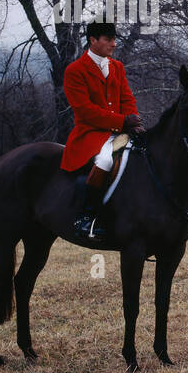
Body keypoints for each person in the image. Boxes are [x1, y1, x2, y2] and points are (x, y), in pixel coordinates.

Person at [60, 21, 143, 240]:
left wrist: (133, 121)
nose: (113, 44)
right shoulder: (74, 70)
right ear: (93, 40)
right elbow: (86, 111)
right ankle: (86, 217)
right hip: (90, 134)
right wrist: (123, 121)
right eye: (108, 39)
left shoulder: (117, 67)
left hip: (121, 131)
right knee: (106, 160)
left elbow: (127, 98)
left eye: (114, 39)